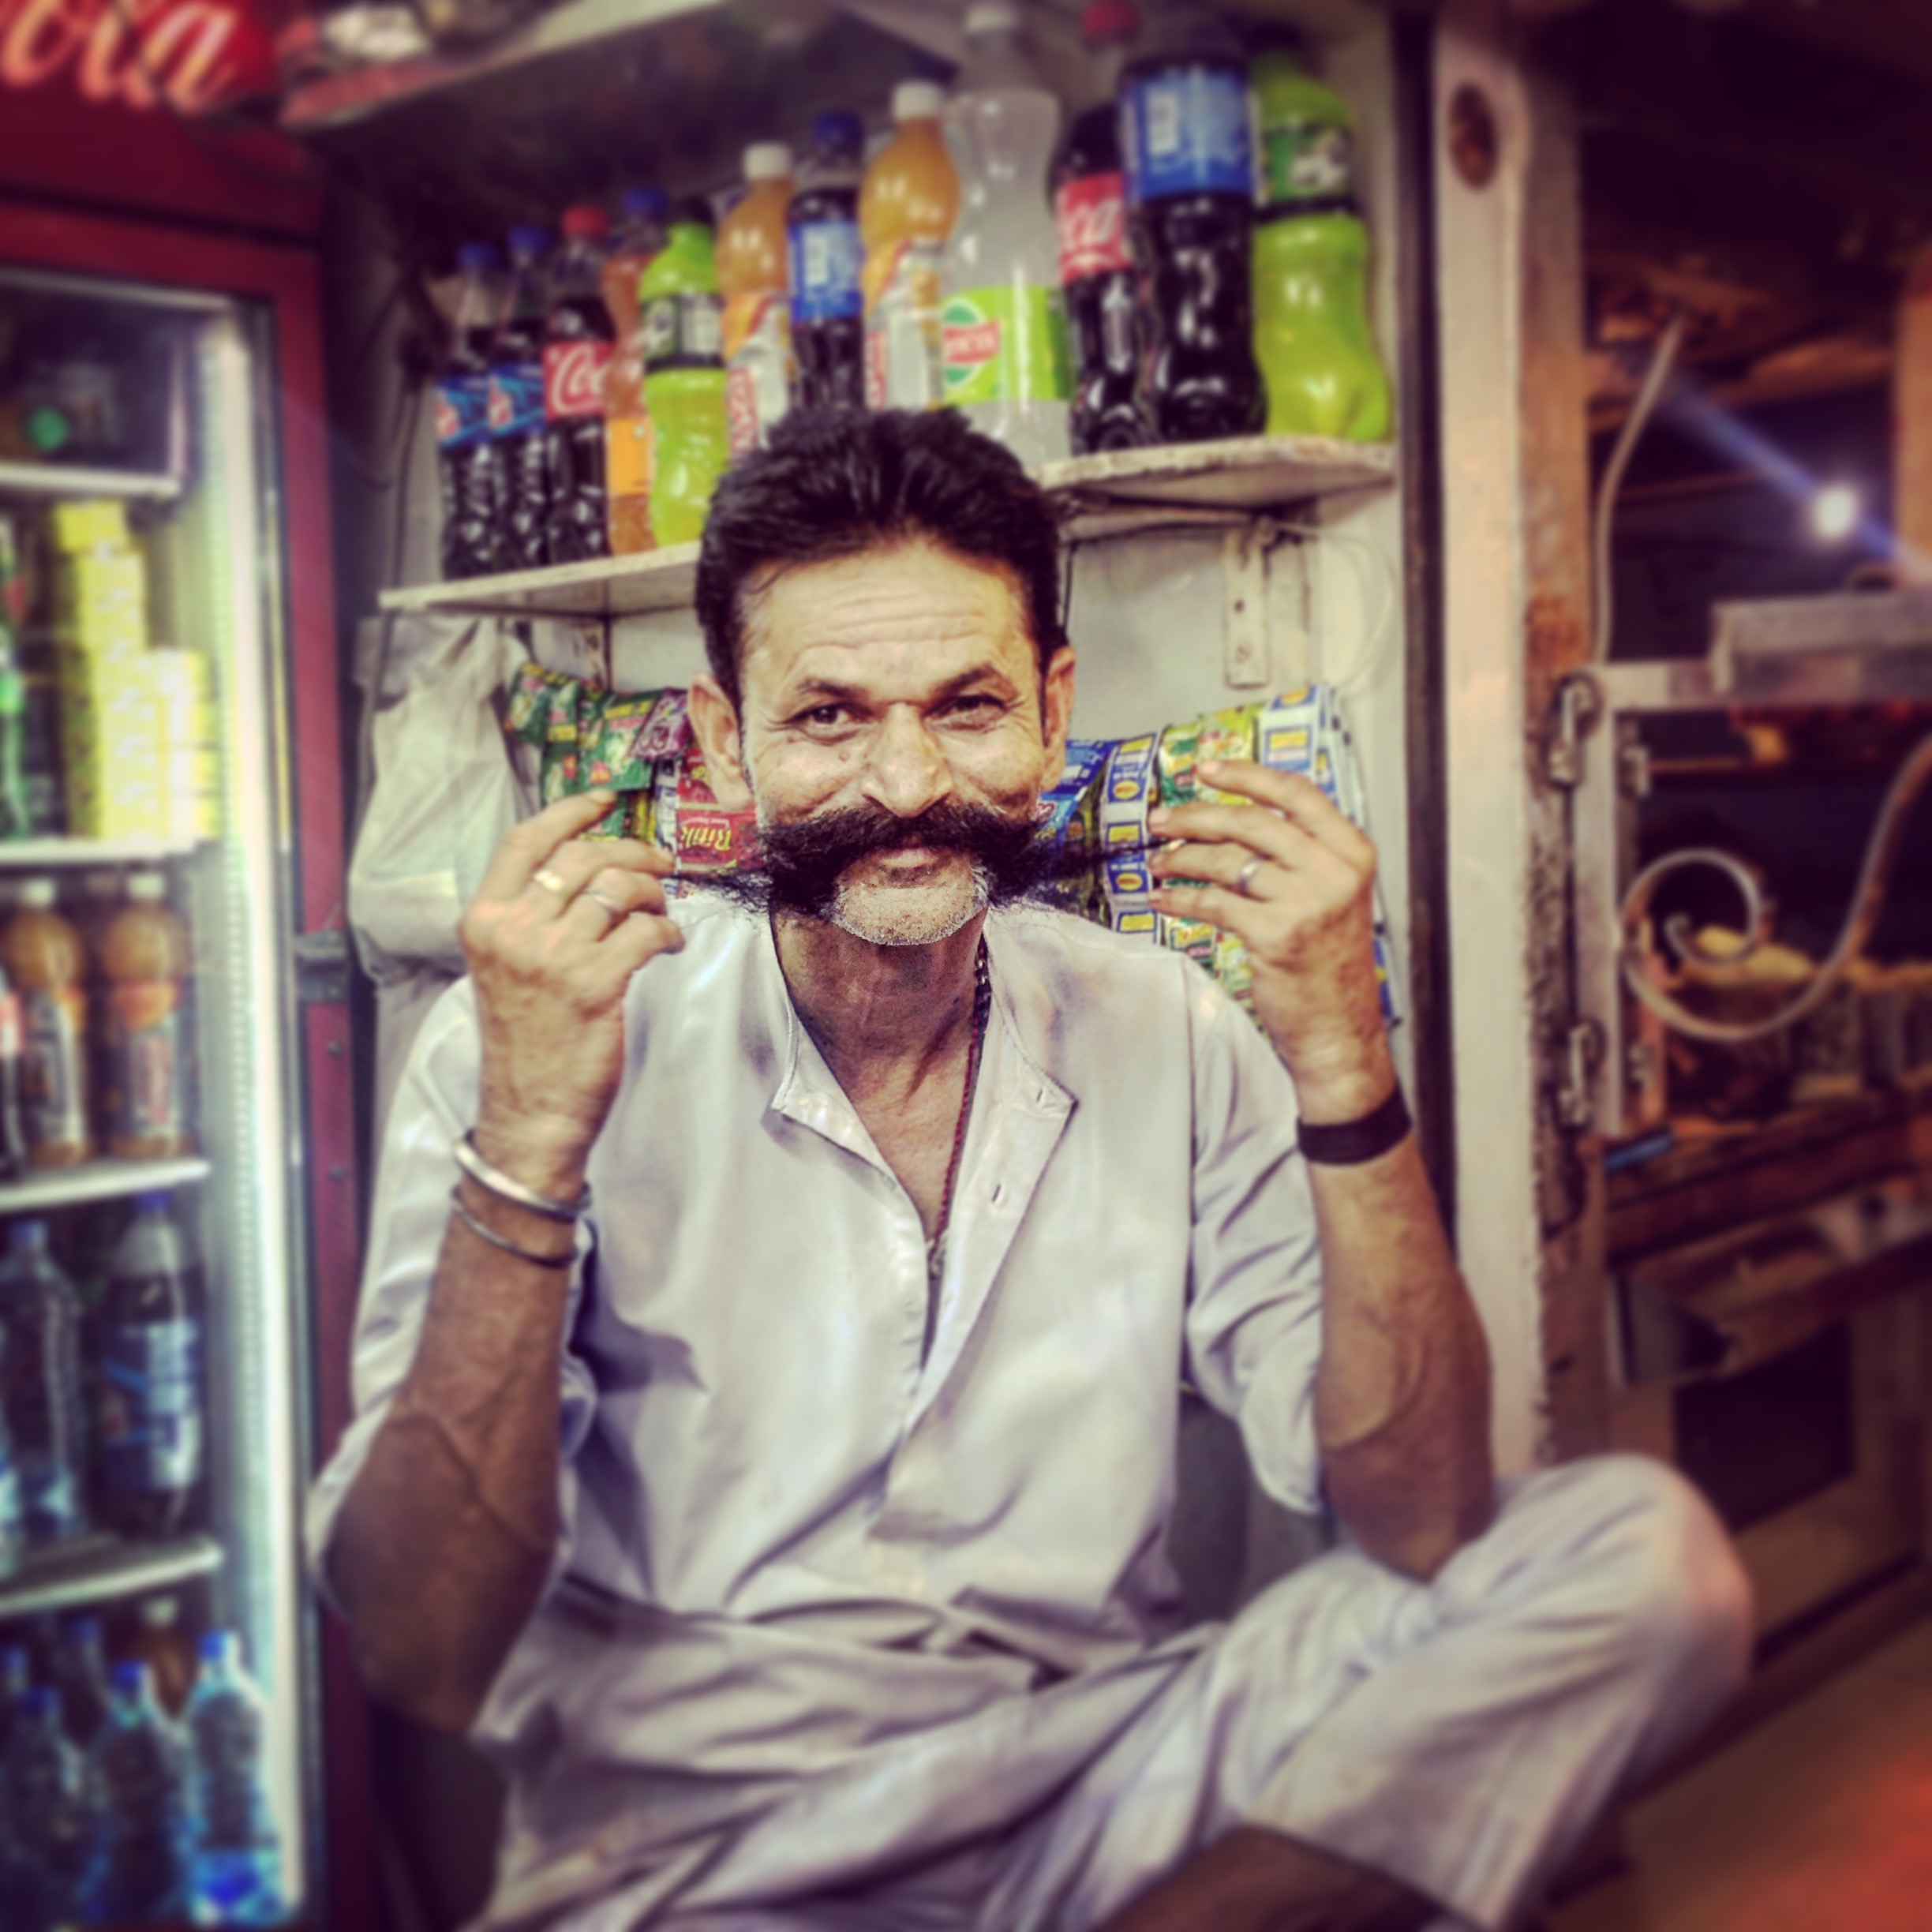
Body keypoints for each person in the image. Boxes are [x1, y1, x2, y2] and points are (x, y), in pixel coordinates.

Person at [309, 409, 1752, 1932]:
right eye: (830, 717)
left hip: (1104, 1786)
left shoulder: (1164, 1024)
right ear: (727, 742)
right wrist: (529, 1150)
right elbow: (421, 1649)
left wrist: (1345, 1064)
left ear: (1054, 712)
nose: (908, 781)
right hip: (694, 1853)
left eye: (969, 706)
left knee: (1636, 1561)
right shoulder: (541, 1043)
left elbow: (1424, 1520)